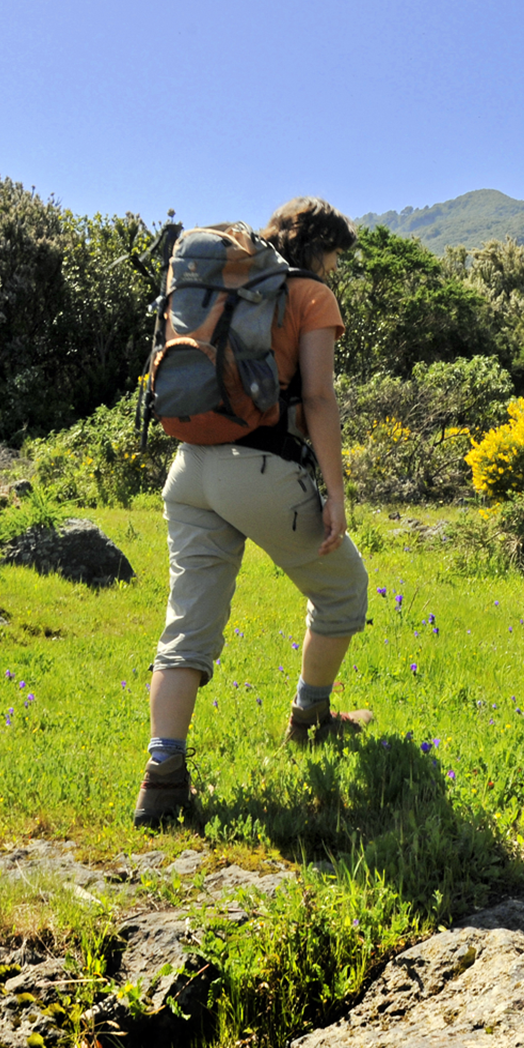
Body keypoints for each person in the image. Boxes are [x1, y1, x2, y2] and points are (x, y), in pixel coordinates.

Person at [133, 197, 370, 828]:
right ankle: (311, 718)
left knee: (187, 629)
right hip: (260, 470)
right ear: (318, 247)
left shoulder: (222, 288)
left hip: (189, 469)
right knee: (344, 589)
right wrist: (336, 494)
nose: (335, 268)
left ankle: (162, 779)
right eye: (335, 256)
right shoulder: (311, 296)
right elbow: (318, 398)